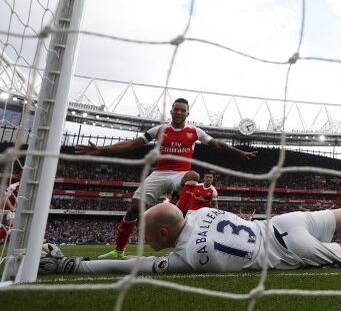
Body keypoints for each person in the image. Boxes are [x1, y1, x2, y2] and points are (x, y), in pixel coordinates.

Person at [39, 194, 341, 275]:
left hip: (286, 249)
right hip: (283, 222)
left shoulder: (186, 257)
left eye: (150, 234)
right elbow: (174, 210)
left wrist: (73, 265)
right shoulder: (202, 210)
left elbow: (131, 266)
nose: (147, 240)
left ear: (166, 232)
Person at [74, 98, 256, 260]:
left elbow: (217, 144)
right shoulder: (159, 130)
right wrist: (101, 149)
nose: (179, 113)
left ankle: (176, 216)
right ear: (171, 111)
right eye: (176, 109)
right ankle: (118, 251)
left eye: (183, 110)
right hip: (159, 173)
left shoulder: (195, 131)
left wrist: (239, 152)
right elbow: (131, 144)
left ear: (187, 113)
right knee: (133, 210)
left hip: (181, 174)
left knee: (194, 176)